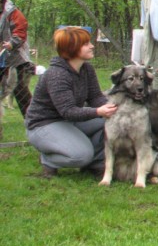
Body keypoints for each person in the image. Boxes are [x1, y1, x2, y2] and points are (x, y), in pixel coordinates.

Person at [25, 27, 118, 178]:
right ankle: (48, 159)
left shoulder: (86, 69)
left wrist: (114, 107)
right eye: (86, 44)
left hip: (70, 121)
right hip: (44, 125)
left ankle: (94, 164)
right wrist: (98, 112)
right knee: (80, 155)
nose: (92, 46)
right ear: (72, 48)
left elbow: (95, 98)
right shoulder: (57, 75)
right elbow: (68, 111)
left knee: (113, 122)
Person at [0, 0, 35, 117]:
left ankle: (33, 117)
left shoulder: (13, 12)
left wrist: (11, 43)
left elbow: (20, 31)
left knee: (19, 88)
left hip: (16, 56)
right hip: (1, 55)